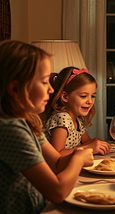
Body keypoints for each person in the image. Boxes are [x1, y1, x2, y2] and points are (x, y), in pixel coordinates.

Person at [0, 40, 94, 214]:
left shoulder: (28, 121)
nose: (51, 90)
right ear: (15, 89)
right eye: (44, 82)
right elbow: (57, 192)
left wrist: (78, 152)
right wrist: (78, 159)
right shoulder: (10, 128)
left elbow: (57, 163)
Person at [42, 67, 110, 156]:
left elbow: (87, 142)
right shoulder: (62, 118)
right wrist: (90, 148)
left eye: (93, 96)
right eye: (83, 96)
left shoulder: (77, 119)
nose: (90, 101)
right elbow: (57, 153)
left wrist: (95, 142)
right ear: (65, 97)